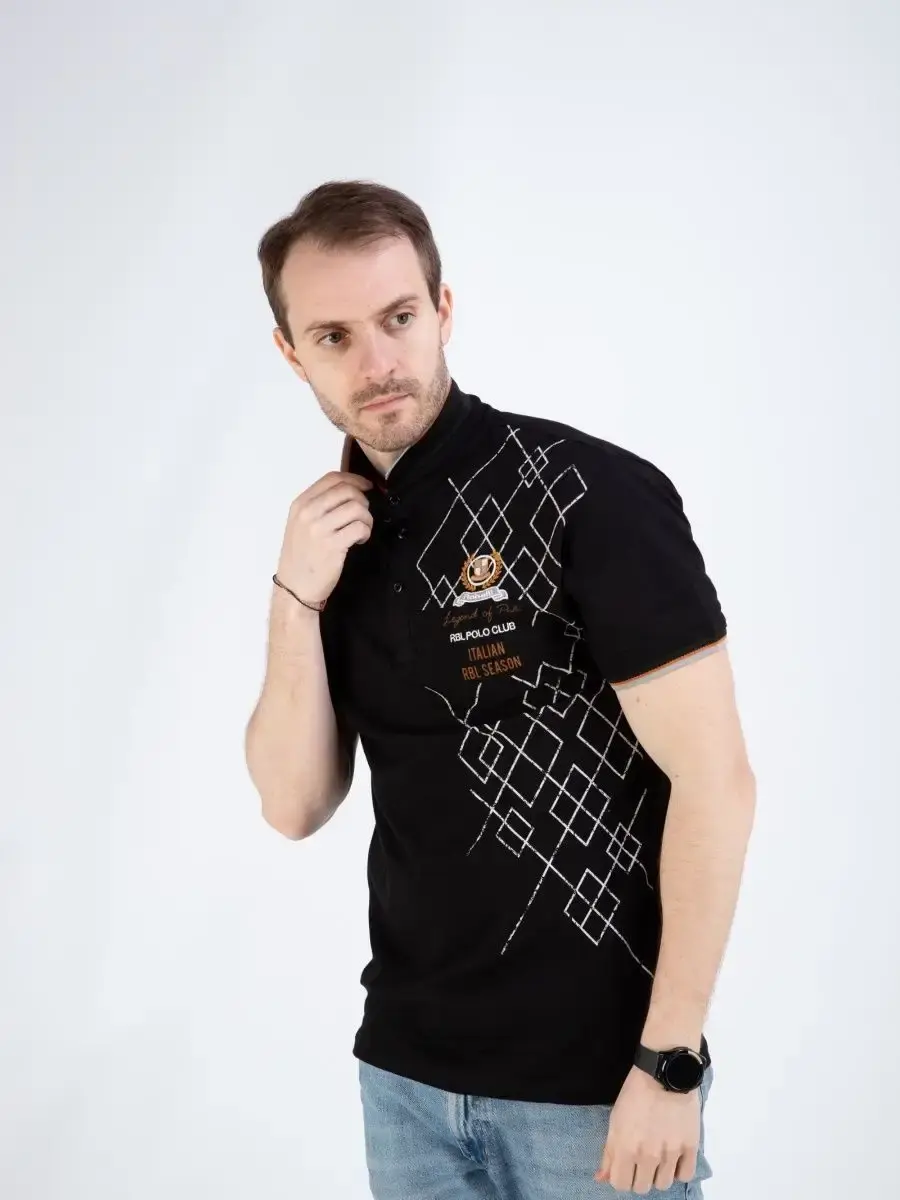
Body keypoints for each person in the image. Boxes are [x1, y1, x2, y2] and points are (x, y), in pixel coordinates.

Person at [244, 180, 756, 1199]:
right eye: (335, 336)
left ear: (443, 309)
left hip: (595, 1093)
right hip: (405, 1084)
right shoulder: (335, 540)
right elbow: (292, 805)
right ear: (293, 354)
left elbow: (718, 784)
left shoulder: (587, 493)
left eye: (398, 317)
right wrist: (294, 599)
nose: (377, 363)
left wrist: (670, 1062)